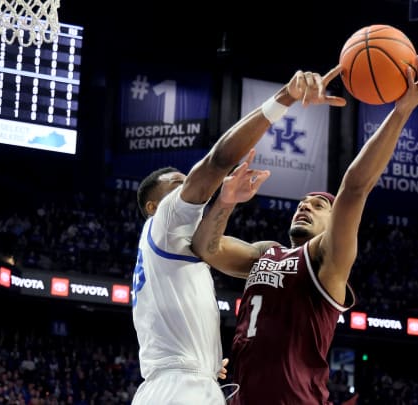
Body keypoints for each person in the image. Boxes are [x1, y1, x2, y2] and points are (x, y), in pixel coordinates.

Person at [191, 49, 418, 404]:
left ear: (333, 222)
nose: (306, 205)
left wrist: (401, 111)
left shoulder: (326, 260)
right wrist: (227, 201)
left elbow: (354, 187)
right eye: (303, 202)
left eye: (319, 204)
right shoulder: (266, 253)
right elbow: (207, 248)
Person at [130, 66, 347, 405]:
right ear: (156, 207)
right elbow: (219, 161)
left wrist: (206, 362)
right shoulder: (167, 220)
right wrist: (285, 98)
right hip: (180, 389)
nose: (188, 187)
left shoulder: (179, 247)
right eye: (178, 184)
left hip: (184, 384)